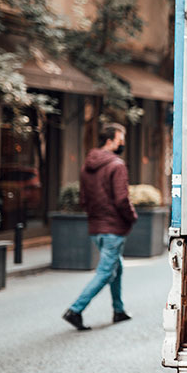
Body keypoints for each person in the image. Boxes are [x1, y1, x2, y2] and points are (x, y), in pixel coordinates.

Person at [61, 122, 137, 331]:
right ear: (110, 141)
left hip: (96, 228)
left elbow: (83, 200)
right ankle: (75, 310)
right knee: (105, 272)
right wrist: (132, 217)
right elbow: (122, 199)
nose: (123, 144)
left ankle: (119, 310)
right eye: (121, 140)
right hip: (113, 228)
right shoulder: (117, 165)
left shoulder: (87, 165)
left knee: (116, 267)